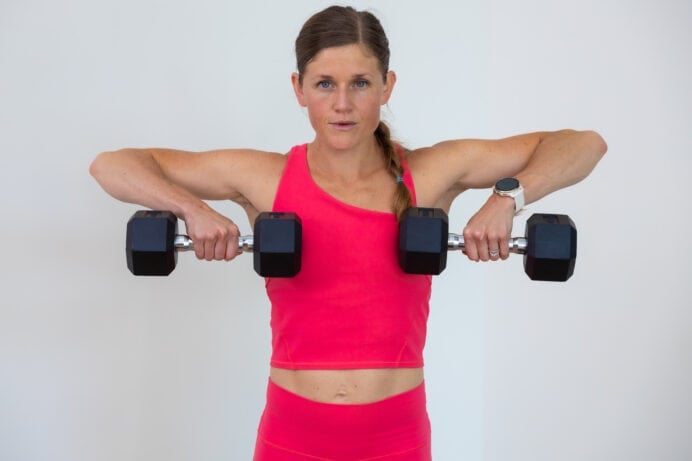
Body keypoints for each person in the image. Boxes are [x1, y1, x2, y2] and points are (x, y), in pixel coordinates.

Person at [90, 5, 606, 460]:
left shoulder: (428, 175)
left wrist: (506, 198)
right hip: (292, 437)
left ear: (387, 86)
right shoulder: (264, 178)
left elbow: (582, 144)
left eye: (360, 82)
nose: (342, 103)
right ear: (298, 89)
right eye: (324, 84)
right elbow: (112, 165)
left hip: (396, 440)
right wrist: (192, 210)